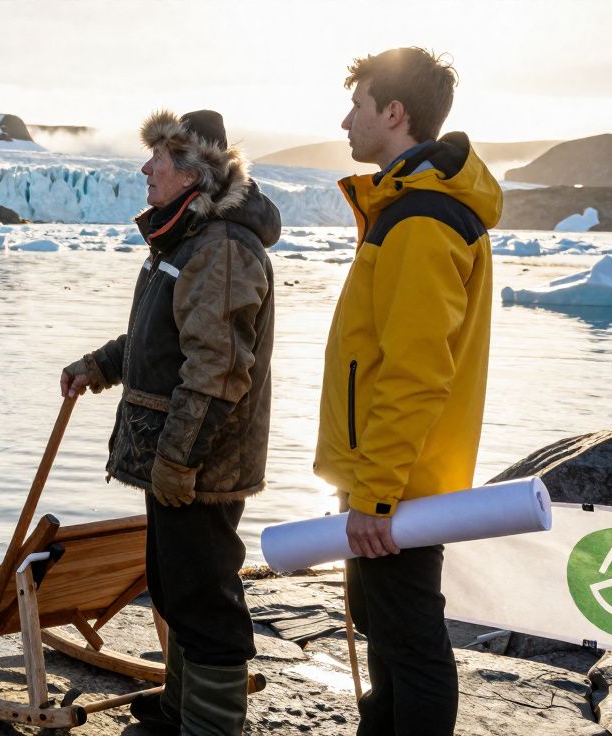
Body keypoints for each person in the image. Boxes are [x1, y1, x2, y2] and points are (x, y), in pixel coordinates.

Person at [60, 109, 280, 735]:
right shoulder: (187, 240)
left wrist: (179, 460)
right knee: (176, 583)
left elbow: (216, 370)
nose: (144, 169)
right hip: (176, 455)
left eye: (156, 160)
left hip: (202, 461)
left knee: (205, 596)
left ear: (191, 173)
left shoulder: (223, 250)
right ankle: (181, 707)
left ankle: (208, 726)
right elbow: (162, 338)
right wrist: (100, 365)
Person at [314, 48, 502, 735]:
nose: (345, 121)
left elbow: (416, 371)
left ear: (394, 113)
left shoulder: (420, 220)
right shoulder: (407, 208)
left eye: (357, 106)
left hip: (399, 482)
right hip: (395, 476)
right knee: (388, 629)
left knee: (411, 640)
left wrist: (376, 493)